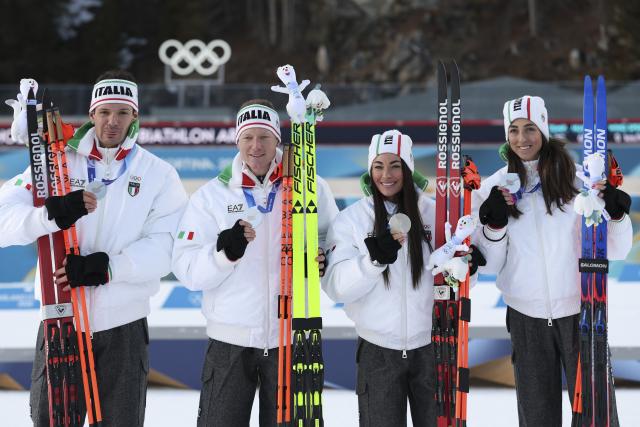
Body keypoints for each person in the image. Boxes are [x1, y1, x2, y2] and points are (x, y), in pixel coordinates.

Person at [0, 70, 187, 426]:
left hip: (124, 325)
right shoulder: (55, 161)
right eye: (104, 112)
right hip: (61, 317)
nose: (112, 122)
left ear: (135, 116)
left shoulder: (158, 174)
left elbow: (167, 246)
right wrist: (49, 217)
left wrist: (109, 268)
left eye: (121, 112)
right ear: (91, 114)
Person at [171, 97, 339, 426]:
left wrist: (325, 261)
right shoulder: (211, 197)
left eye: (264, 136)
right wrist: (224, 255)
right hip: (230, 340)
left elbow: (336, 245)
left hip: (292, 337)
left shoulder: (310, 187)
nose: (256, 146)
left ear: (278, 138)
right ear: (237, 140)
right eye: (248, 137)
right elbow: (186, 270)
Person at [473, 95, 632, 427]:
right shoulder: (495, 187)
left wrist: (616, 215)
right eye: (514, 130)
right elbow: (488, 265)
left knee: (595, 416)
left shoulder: (577, 181)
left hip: (582, 312)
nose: (522, 138)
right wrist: (494, 227)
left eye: (530, 128)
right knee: (537, 417)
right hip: (526, 317)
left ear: (543, 129)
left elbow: (614, 250)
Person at [322, 129, 485, 427]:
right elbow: (336, 287)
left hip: (433, 346)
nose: (387, 174)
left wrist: (467, 270)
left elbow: (454, 280)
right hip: (378, 350)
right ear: (370, 170)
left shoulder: (436, 213)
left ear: (408, 168)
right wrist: (371, 263)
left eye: (395, 165)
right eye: (379, 166)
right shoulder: (352, 220)